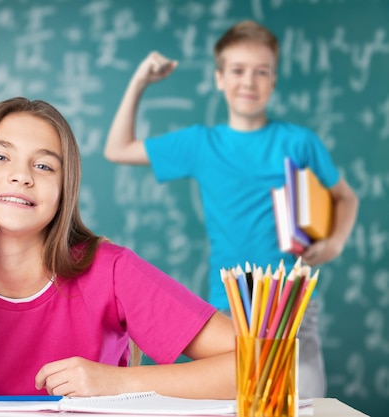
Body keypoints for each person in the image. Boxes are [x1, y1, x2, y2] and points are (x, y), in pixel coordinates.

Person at [0, 97, 236, 403]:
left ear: (63, 192)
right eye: (0, 156)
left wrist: (118, 382)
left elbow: (256, 362)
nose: (22, 176)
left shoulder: (108, 270)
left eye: (44, 166)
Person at [104, 20, 359, 399]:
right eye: (237, 71)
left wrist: (334, 243)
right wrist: (140, 81)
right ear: (219, 78)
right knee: (238, 400)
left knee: (302, 402)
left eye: (261, 72)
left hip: (292, 302)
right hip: (229, 306)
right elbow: (118, 149)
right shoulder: (200, 144)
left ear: (273, 81)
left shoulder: (299, 142)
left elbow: (346, 197)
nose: (249, 82)